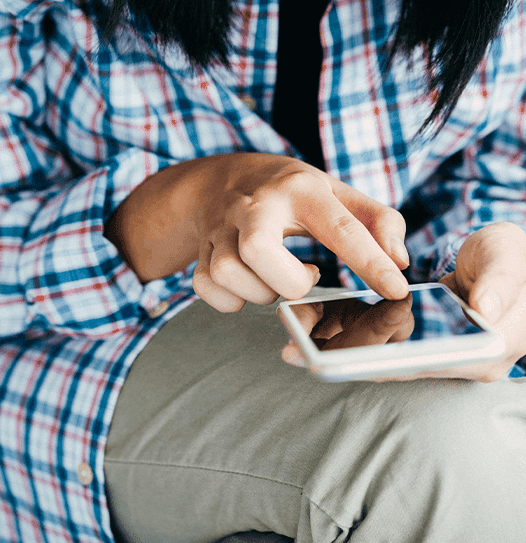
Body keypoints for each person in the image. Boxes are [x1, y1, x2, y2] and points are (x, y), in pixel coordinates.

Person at [2, 0, 526, 541]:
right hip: (87, 345)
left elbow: (496, 177)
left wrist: (501, 248)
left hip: (368, 319)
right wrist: (193, 201)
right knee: (437, 451)